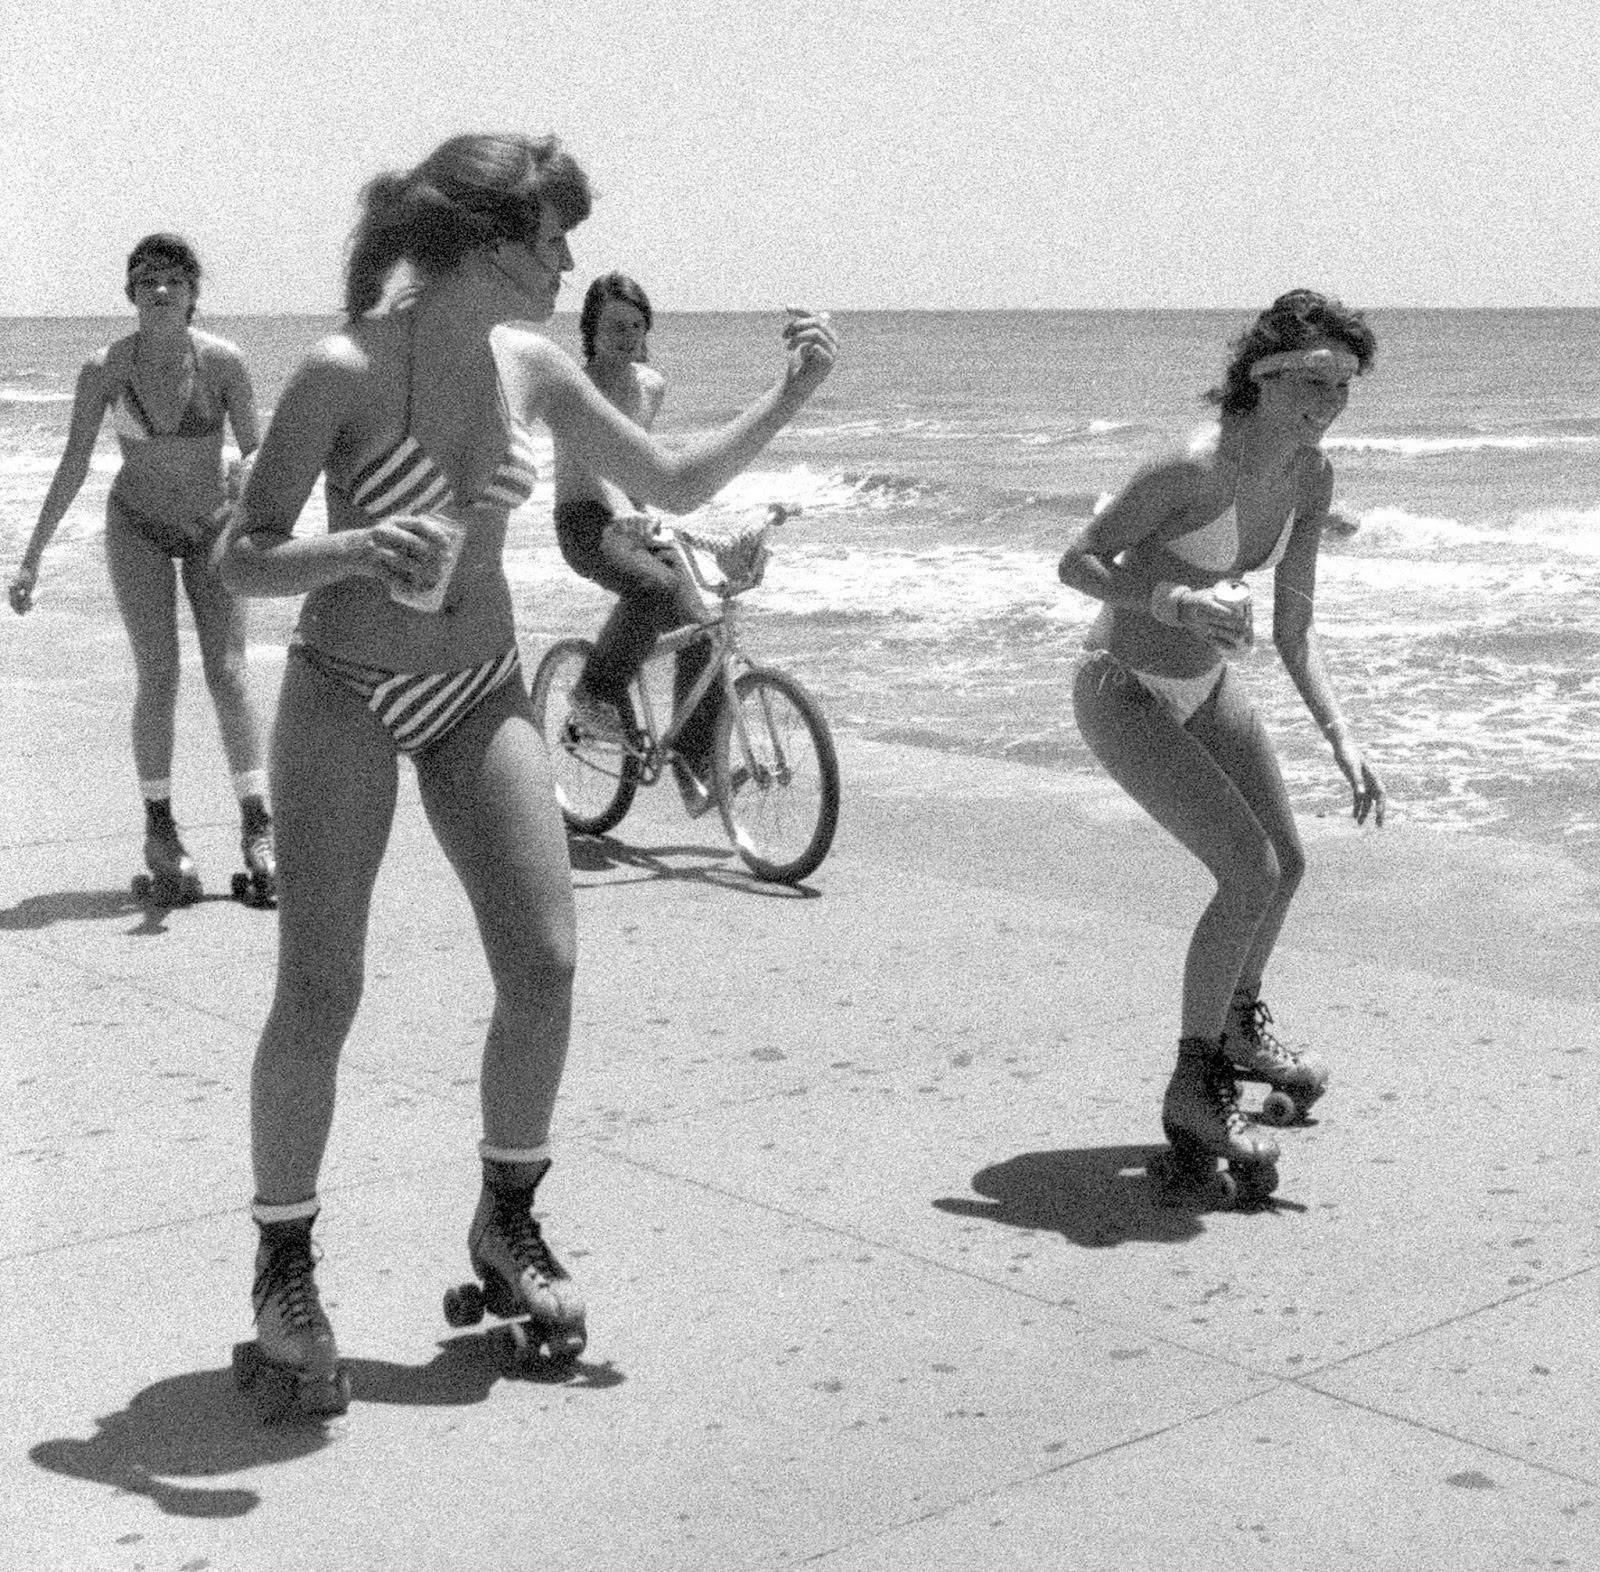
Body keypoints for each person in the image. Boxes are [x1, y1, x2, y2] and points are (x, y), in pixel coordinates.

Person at [218, 131, 837, 1419]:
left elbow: (666, 477)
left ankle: (508, 1222)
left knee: (546, 963)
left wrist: (790, 399)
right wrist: (354, 548)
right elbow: (243, 557)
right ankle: (285, 1269)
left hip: (475, 688)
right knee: (322, 986)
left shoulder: (534, 367)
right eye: (553, 237)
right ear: (491, 243)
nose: (568, 261)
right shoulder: (342, 370)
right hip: (344, 689)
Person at [1057, 289, 1385, 1202]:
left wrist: (1342, 737)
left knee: (1286, 862)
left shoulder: (1311, 477)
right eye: (1314, 381)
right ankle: (1194, 1087)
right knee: (1245, 871)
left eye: (1345, 385)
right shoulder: (1187, 469)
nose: (1329, 402)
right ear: (1262, 377)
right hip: (1122, 687)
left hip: (1205, 686)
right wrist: (1174, 603)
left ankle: (1237, 1026)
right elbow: (1077, 561)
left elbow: (1295, 626)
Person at [8, 234, 274, 905]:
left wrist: (255, 496)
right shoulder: (106, 368)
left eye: (176, 282)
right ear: (130, 292)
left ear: (192, 295)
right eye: (149, 280)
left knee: (229, 673)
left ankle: (258, 825)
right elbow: (72, 465)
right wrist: (31, 558)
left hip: (212, 526)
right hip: (138, 528)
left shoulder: (223, 363)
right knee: (158, 675)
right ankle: (161, 827)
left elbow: (261, 457)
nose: (162, 292)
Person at [553, 272, 723, 815]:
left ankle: (694, 772)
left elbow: (637, 464)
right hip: (583, 519)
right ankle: (595, 692)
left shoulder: (651, 386)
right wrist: (627, 517)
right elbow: (591, 468)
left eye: (635, 324)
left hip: (629, 516)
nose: (626, 335)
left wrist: (650, 518)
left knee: (704, 626)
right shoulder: (573, 390)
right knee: (655, 589)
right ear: (591, 331)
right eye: (613, 327)